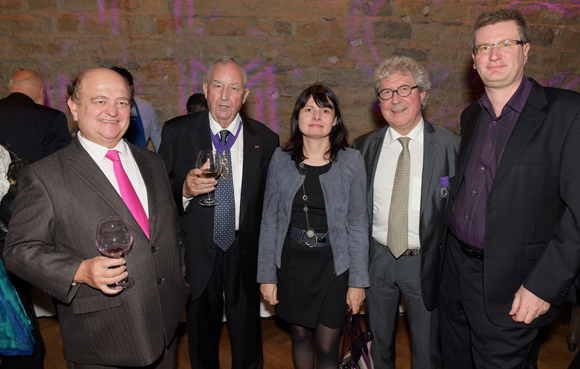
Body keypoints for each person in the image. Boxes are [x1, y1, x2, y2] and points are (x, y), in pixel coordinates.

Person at [2, 68, 190, 368]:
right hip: (103, 339)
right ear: (74, 107)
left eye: (122, 102)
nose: (112, 112)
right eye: (100, 100)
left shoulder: (152, 162)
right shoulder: (44, 176)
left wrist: (179, 278)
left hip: (165, 325)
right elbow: (18, 250)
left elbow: (169, 232)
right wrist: (79, 271)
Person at [441, 8, 580, 368]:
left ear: (526, 50)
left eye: (506, 43)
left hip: (514, 283)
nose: (494, 54)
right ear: (473, 60)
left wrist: (543, 285)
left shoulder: (566, 113)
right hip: (456, 272)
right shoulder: (472, 116)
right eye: (484, 47)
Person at [159, 57, 279, 369]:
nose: (225, 95)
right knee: (200, 336)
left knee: (247, 336)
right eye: (217, 86)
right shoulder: (176, 132)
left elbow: (271, 205)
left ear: (245, 95)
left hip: (245, 250)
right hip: (198, 248)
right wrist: (184, 191)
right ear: (205, 89)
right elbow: (158, 195)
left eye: (233, 87)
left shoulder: (266, 140)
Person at [352, 56, 459, 369]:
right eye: (386, 93)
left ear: (423, 95)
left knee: (427, 352)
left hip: (425, 263)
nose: (395, 99)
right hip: (378, 261)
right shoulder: (363, 146)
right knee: (378, 346)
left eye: (403, 89)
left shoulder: (451, 146)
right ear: (379, 102)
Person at [258, 84, 369, 369]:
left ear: (335, 119)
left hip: (334, 266)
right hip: (293, 264)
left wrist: (358, 282)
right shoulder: (280, 160)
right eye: (309, 109)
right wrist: (266, 275)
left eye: (325, 109)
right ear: (298, 117)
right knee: (298, 334)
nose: (316, 115)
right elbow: (269, 220)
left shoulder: (351, 161)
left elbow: (358, 224)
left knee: (328, 343)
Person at [0, 69, 70, 369]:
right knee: (56, 288)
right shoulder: (51, 118)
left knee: (9, 302)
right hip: (33, 225)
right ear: (42, 92)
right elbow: (62, 176)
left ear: (9, 87)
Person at [111, 66, 162, 151]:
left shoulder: (146, 107)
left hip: (140, 160)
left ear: (131, 87)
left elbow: (158, 139)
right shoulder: (103, 109)